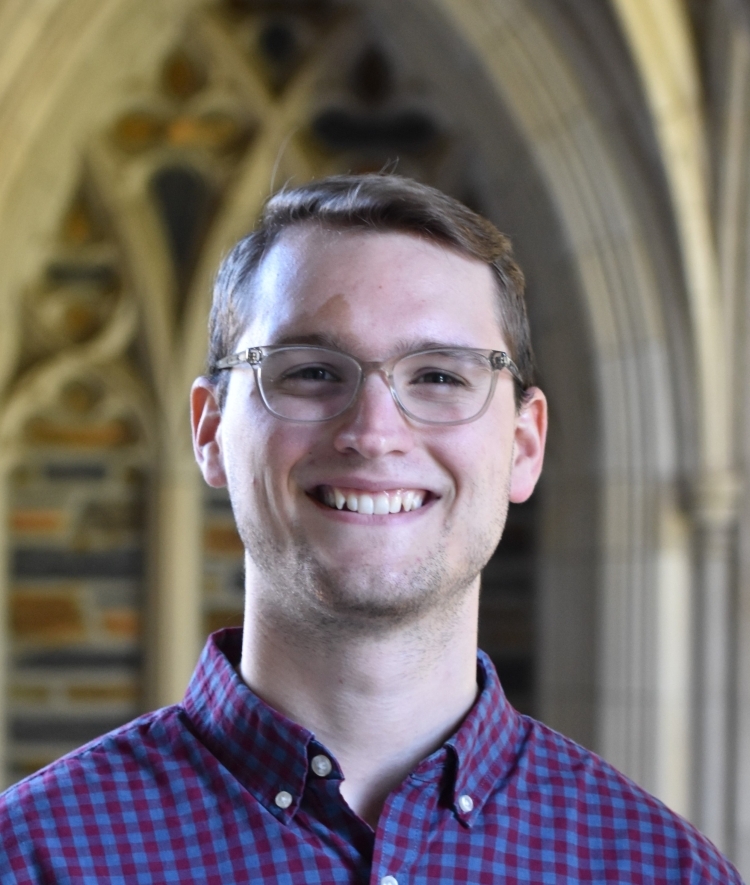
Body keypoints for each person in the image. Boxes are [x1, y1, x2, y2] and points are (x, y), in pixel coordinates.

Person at [0, 174, 743, 884]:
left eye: (441, 376)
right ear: (210, 430)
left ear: (524, 447)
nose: (374, 431)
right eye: (312, 371)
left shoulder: (661, 870)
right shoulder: (31, 859)